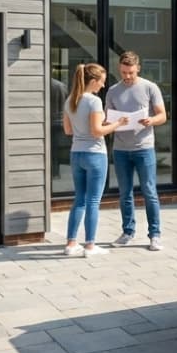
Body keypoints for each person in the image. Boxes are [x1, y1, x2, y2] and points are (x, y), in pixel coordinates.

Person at [63, 63, 127, 257]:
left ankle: (71, 244)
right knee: (92, 200)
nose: (103, 86)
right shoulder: (94, 101)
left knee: (79, 200)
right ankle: (90, 246)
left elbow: (68, 130)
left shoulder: (70, 100)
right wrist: (117, 123)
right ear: (93, 81)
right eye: (102, 82)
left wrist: (94, 125)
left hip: (76, 154)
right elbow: (97, 131)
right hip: (94, 155)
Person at [106, 51, 167, 250]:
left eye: (131, 72)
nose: (127, 76)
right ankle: (128, 232)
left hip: (144, 148)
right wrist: (116, 121)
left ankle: (155, 235)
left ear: (138, 68)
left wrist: (151, 120)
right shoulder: (113, 91)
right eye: (124, 72)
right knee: (125, 193)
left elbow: (162, 116)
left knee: (149, 191)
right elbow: (107, 119)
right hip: (121, 150)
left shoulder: (150, 88)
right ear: (119, 69)